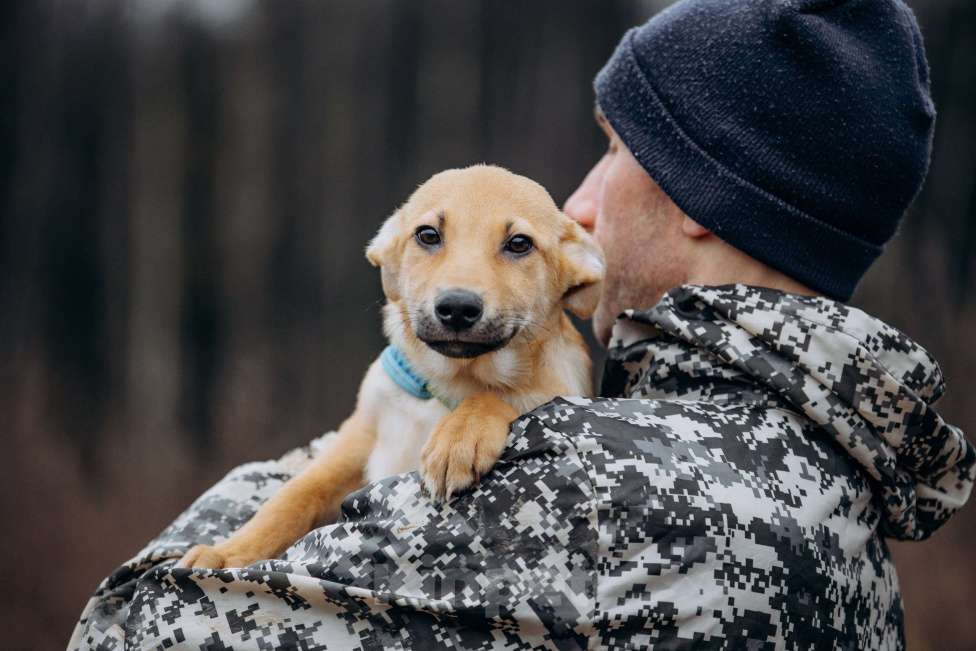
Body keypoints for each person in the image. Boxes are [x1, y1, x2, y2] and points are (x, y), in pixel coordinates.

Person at [70, 1, 974, 649]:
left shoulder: (586, 482)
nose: (579, 200)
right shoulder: (852, 507)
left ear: (699, 194)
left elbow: (137, 624)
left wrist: (351, 437)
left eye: (613, 148)